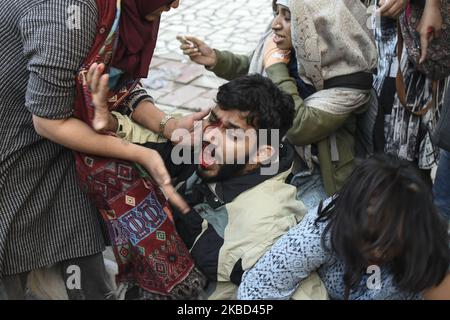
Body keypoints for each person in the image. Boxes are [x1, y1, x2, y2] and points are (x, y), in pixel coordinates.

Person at [0, 0, 206, 300]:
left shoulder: (119, 11)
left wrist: (167, 125)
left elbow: (114, 83)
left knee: (79, 258)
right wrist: (139, 152)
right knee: (14, 261)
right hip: (14, 148)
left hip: (61, 148)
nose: (174, 4)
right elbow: (48, 121)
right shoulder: (71, 13)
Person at [88, 72, 328, 300]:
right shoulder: (209, 150)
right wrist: (110, 121)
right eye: (214, 120)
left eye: (233, 133)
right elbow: (152, 140)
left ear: (262, 154)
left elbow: (297, 289)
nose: (211, 135)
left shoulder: (264, 225)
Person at [179, 0, 378, 208]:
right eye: (277, 13)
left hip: (312, 175)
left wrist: (276, 68)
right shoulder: (295, 48)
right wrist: (216, 59)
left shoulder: (349, 78)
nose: (275, 24)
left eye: (287, 17)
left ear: (319, 22)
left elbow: (299, 127)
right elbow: (256, 70)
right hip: (273, 155)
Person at [238, 155, 450, 300]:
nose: (376, 253)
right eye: (369, 238)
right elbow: (256, 291)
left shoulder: (427, 248)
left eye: (390, 244)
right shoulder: (323, 228)